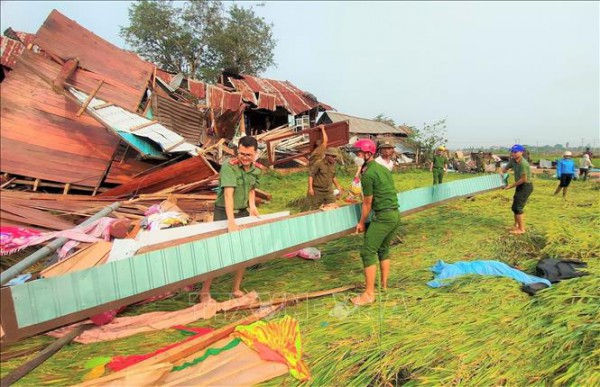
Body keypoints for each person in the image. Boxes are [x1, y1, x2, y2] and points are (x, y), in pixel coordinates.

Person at [200, 136, 261, 303]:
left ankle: (235, 288)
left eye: (248, 155)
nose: (244, 157)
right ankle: (204, 292)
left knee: (243, 252)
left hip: (243, 212)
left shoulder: (255, 169)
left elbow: (251, 189)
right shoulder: (229, 166)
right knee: (218, 251)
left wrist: (252, 207)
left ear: (255, 153)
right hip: (224, 212)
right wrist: (231, 221)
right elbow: (228, 194)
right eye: (241, 153)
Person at [349, 138, 401, 306]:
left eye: (358, 153)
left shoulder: (369, 174)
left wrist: (361, 222)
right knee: (383, 249)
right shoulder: (382, 169)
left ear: (368, 154)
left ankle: (369, 294)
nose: (356, 156)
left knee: (367, 251)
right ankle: (384, 287)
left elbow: (367, 202)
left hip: (384, 216)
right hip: (394, 214)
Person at [501, 144, 533, 235]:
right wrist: (501, 173)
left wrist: (510, 186)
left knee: (517, 207)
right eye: (512, 152)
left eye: (515, 152)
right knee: (514, 206)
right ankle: (516, 225)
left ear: (521, 152)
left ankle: (521, 229)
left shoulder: (524, 164)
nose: (513, 154)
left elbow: (523, 179)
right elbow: (505, 169)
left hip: (526, 186)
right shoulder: (513, 160)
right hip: (520, 186)